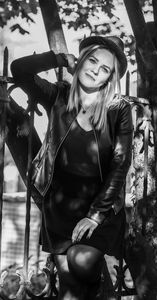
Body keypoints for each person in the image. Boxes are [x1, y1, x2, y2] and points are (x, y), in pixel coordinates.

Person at [11, 35, 133, 300]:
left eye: (105, 69)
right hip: (59, 207)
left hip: (99, 209)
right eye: (92, 61)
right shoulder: (58, 95)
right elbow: (19, 70)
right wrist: (56, 59)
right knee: (70, 288)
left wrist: (95, 215)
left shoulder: (118, 110)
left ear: (109, 79)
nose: (95, 70)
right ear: (80, 62)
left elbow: (120, 163)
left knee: (81, 261)